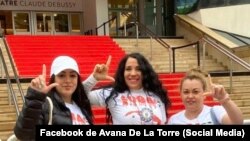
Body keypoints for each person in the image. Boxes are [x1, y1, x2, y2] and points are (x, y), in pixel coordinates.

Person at [13, 55, 113, 140]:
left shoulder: (81, 104)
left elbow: (81, 90)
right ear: (53, 79)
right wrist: (35, 97)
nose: (68, 80)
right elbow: (23, 134)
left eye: (73, 76)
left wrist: (94, 78)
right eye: (61, 75)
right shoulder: (45, 104)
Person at [84, 52, 171, 124]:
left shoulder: (157, 95)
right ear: (122, 72)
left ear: (145, 72)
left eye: (138, 69)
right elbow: (77, 96)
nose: (133, 73)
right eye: (128, 69)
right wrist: (94, 78)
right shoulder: (112, 93)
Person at [168, 68, 243, 125]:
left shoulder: (215, 112)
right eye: (186, 92)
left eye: (195, 91)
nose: (190, 96)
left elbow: (237, 122)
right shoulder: (173, 120)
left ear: (204, 93)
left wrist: (225, 100)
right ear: (180, 94)